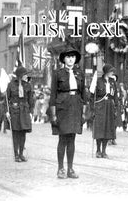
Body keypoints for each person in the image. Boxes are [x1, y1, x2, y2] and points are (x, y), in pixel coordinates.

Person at [50, 47, 86, 179]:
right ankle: (60, 169)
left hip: (75, 107)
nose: (71, 59)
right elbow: (53, 94)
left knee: (72, 139)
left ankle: (70, 168)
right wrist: (53, 114)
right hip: (62, 108)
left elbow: (83, 94)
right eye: (68, 57)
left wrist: (83, 112)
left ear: (75, 59)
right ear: (64, 59)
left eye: (73, 57)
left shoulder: (80, 74)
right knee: (62, 139)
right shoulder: (57, 74)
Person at [6, 67, 34, 162]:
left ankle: (21, 154)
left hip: (25, 111)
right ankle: (16, 155)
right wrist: (7, 111)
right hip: (14, 111)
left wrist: (31, 112)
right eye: (25, 74)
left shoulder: (28, 86)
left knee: (23, 133)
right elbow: (6, 99)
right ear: (20, 75)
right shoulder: (11, 85)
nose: (26, 76)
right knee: (15, 133)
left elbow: (31, 100)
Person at [91, 64, 118, 158]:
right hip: (100, 106)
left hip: (110, 106)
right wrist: (93, 108)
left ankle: (104, 151)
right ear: (106, 72)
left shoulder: (113, 81)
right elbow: (92, 95)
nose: (112, 73)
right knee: (100, 128)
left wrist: (117, 108)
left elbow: (115, 96)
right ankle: (98, 150)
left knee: (107, 129)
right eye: (110, 71)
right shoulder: (98, 81)